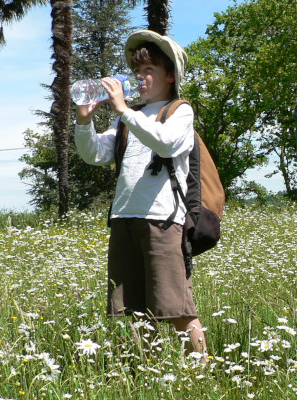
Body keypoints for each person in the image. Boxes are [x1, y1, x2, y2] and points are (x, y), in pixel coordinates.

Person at [74, 30, 207, 360]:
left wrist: (123, 110)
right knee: (135, 310)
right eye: (137, 71)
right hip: (124, 218)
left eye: (149, 70)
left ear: (170, 75)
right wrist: (84, 122)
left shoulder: (179, 111)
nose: (140, 78)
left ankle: (203, 371)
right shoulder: (128, 119)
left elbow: (165, 142)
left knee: (178, 308)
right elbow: (94, 154)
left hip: (163, 220)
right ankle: (148, 372)